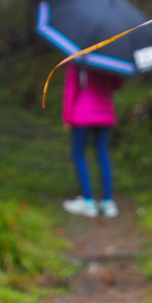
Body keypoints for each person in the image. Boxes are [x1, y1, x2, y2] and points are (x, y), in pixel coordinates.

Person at [61, 62, 125, 218]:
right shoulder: (110, 56)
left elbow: (71, 87)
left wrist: (67, 117)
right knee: (103, 154)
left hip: (82, 112)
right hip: (105, 112)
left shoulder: (78, 57)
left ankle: (88, 202)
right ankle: (108, 202)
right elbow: (117, 84)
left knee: (78, 154)